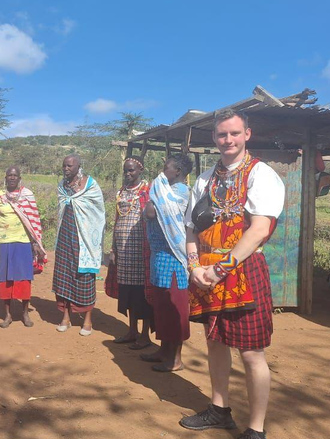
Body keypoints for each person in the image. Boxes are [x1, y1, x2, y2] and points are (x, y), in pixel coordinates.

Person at [179, 109, 284, 439]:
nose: (228, 140)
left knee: (252, 353)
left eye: (235, 133)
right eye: (222, 134)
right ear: (214, 138)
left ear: (247, 135)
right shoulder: (204, 179)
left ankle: (256, 429)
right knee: (215, 343)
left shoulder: (261, 174)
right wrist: (196, 267)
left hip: (243, 272)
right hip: (207, 273)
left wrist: (220, 269)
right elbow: (190, 229)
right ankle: (219, 409)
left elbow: (259, 229)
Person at [141, 154, 192, 372]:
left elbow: (150, 212)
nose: (162, 173)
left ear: (178, 171)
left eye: (166, 168)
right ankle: (164, 351)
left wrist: (153, 197)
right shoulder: (165, 191)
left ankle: (176, 359)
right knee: (162, 306)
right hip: (160, 256)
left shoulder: (180, 193)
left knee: (175, 308)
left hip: (175, 259)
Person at [0, 166, 47, 328]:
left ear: (19, 178)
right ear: (5, 178)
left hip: (23, 243)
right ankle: (8, 315)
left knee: (24, 279)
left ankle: (25, 313)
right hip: (5, 244)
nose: (12, 178)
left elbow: (32, 221)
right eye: (9, 175)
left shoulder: (27, 196)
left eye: (15, 175)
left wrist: (35, 242)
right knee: (5, 279)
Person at [52, 154, 105, 336]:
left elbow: (98, 212)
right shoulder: (62, 186)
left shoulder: (90, 185)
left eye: (69, 166)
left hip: (84, 239)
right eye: (64, 166)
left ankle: (88, 319)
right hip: (65, 236)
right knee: (64, 275)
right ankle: (65, 317)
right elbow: (61, 209)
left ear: (78, 166)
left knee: (84, 277)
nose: (66, 169)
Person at [110, 156, 154, 350]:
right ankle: (132, 331)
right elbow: (117, 220)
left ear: (140, 171)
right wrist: (114, 248)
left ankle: (145, 335)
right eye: (126, 171)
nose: (128, 174)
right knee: (127, 293)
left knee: (142, 294)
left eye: (132, 171)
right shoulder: (122, 192)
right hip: (124, 252)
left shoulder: (148, 191)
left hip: (141, 251)